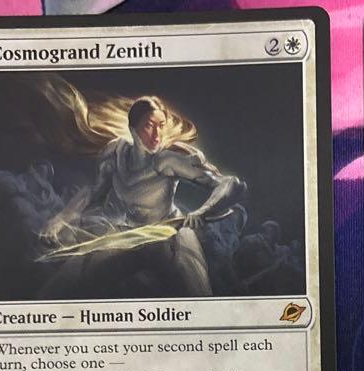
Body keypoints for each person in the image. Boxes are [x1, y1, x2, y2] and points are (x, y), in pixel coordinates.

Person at [39, 96, 246, 297]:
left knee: (197, 292)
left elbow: (231, 184)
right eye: (149, 126)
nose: (157, 135)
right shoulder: (115, 152)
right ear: (132, 129)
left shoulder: (168, 161)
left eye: (161, 126)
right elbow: (94, 190)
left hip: (168, 234)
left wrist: (202, 211)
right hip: (125, 235)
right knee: (60, 288)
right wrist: (62, 218)